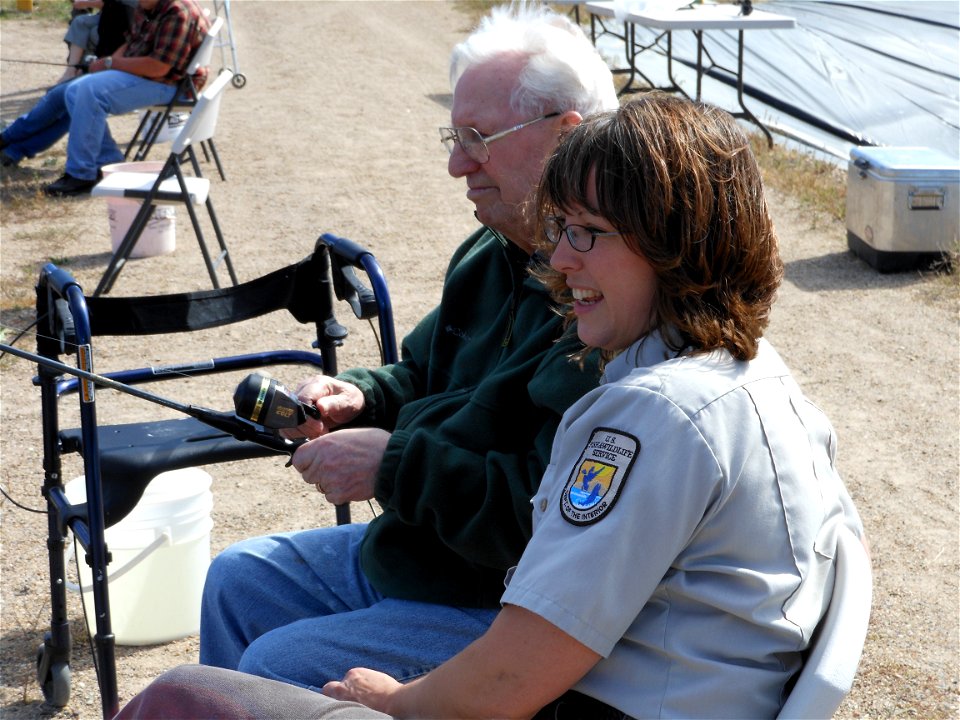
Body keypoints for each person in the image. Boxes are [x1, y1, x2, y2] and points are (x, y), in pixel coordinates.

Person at [114, 93, 866, 719]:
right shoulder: (754, 379)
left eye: (588, 234)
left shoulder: (653, 417)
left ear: (679, 245)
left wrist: (399, 699)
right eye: (561, 229)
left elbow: (515, 677)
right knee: (239, 607)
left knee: (183, 698)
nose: (563, 258)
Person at [197, 1, 619, 691]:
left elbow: (542, 518)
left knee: (275, 667)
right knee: (235, 581)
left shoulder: (603, 296)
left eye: (478, 137)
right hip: (425, 549)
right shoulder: (489, 251)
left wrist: (394, 467)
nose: (457, 164)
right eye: (452, 137)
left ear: (564, 135)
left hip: (503, 596)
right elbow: (421, 372)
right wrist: (360, 396)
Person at [0, 0, 209, 195]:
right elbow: (131, 42)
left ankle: (81, 174)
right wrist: (108, 63)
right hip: (148, 74)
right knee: (63, 92)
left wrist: (111, 64)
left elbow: (159, 67)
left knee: (86, 92)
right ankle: (9, 139)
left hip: (169, 84)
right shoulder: (149, 5)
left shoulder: (177, 13)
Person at [54, 0, 138, 85]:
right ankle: (71, 72)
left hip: (123, 19)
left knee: (94, 32)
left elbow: (111, 4)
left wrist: (85, 3)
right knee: (79, 22)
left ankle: (88, 71)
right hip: (106, 14)